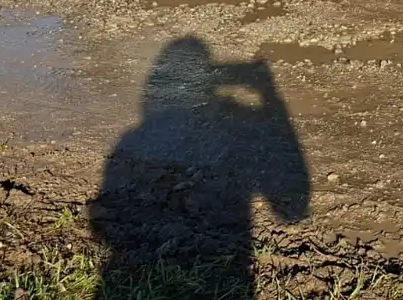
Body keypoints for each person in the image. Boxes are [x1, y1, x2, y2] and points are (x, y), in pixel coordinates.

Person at [92, 36, 309, 297]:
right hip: (229, 272)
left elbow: (101, 221)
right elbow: (293, 210)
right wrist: (270, 95)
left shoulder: (129, 139)